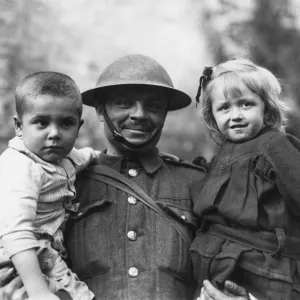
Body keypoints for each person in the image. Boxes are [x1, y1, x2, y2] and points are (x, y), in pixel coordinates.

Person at [0, 55, 255, 300]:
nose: (139, 114)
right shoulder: (64, 181)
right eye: (124, 103)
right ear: (100, 110)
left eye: (153, 106)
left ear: (165, 113)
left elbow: (235, 262)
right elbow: (18, 248)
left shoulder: (196, 182)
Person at [190, 58, 300, 299]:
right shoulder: (223, 154)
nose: (236, 115)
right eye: (225, 108)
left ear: (266, 109)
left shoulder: (274, 145)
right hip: (223, 270)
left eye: (246, 104)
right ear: (213, 116)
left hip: (268, 274)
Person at [0, 72, 99, 300]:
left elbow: (87, 157)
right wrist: (38, 291)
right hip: (16, 253)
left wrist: (104, 157)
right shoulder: (20, 165)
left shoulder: (65, 157)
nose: (54, 134)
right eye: (41, 123)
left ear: (78, 126)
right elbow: (15, 232)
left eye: (66, 124)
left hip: (45, 251)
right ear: (19, 126)